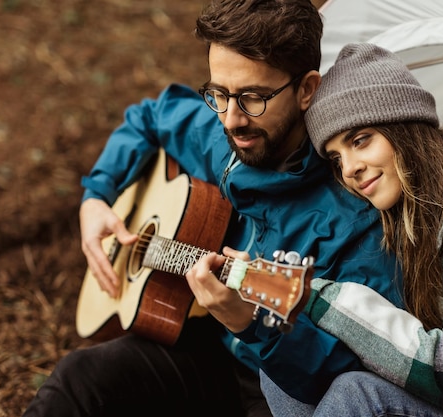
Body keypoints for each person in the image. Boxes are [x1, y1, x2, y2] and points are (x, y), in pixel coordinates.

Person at [21, 3, 402, 417]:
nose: (232, 119)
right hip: (210, 346)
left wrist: (250, 325)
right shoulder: (226, 139)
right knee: (81, 377)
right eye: (218, 94)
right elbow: (149, 117)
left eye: (253, 98)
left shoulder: (357, 224)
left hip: (280, 391)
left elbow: (347, 372)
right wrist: (95, 197)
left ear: (307, 89)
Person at [259, 42, 443, 417]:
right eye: (336, 158)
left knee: (357, 394)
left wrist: (329, 300)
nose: (349, 169)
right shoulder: (407, 214)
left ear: (403, 127)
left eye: (360, 140)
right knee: (288, 375)